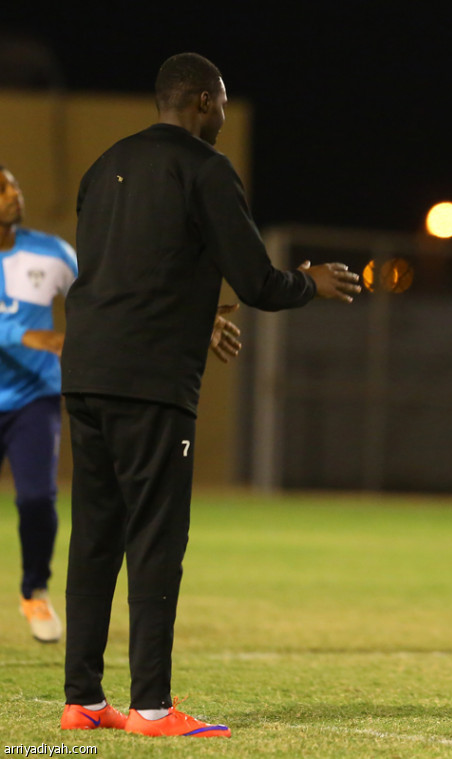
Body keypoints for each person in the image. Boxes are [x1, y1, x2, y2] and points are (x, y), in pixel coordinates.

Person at [58, 52, 361, 738]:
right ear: (199, 98)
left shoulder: (104, 164)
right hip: (152, 387)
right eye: (221, 100)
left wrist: (204, 317)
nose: (224, 113)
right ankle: (152, 709)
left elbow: (137, 270)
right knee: (158, 538)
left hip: (88, 372)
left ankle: (82, 699)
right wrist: (309, 279)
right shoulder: (205, 168)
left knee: (97, 534)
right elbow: (259, 281)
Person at [0, 165, 77, 644]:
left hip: (35, 398)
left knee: (36, 498)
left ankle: (35, 590)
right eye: (1, 188)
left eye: (12, 183)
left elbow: (101, 303)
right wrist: (26, 334)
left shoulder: (53, 253)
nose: (14, 192)